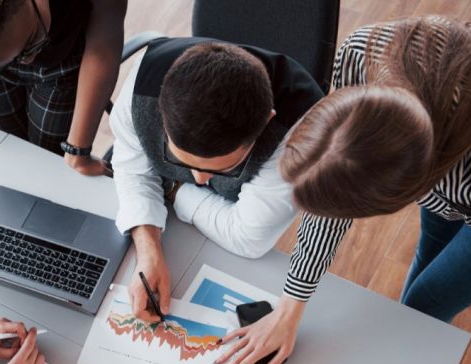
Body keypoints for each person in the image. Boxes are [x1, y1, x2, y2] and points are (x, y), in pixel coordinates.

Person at [214, 17, 471, 364]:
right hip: (454, 168)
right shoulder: (362, 54)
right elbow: (334, 181)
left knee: (426, 303)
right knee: (432, 246)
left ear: (398, 197)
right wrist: (290, 305)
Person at [110, 38, 323, 321]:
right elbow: (132, 170)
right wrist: (148, 252)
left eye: (222, 168)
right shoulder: (141, 85)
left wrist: (172, 186)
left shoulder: (301, 134)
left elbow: (247, 238)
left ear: (265, 122)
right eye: (180, 161)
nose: (197, 179)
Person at [0, 0, 126, 176]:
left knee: (47, 163)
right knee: (17, 155)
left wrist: (77, 152)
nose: (25, 62)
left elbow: (102, 50)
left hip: (61, 60)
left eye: (32, 40)